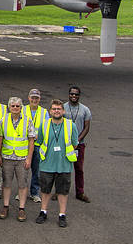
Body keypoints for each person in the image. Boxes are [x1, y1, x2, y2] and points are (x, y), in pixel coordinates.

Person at [36, 99, 78, 228]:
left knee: (63, 191)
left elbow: (75, 143)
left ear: (63, 111)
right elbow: (40, 141)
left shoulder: (71, 125)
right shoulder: (44, 125)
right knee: (45, 190)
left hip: (64, 165)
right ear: (50, 111)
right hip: (47, 164)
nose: (56, 111)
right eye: (54, 109)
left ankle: (62, 214)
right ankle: (43, 211)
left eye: (59, 109)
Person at [0, 96, 36, 222]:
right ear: (9, 107)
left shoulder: (28, 121)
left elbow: (31, 141)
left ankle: (22, 208)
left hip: (22, 158)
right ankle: (5, 206)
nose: (15, 108)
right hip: (7, 157)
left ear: (21, 108)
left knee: (22, 184)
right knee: (6, 183)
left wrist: (29, 159)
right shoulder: (3, 120)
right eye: (13, 106)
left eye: (17, 106)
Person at [63, 86, 92, 202]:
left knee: (79, 169)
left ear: (79, 96)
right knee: (62, 169)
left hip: (79, 144)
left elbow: (87, 127)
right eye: (72, 94)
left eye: (76, 94)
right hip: (64, 143)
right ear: (68, 94)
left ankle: (80, 192)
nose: (73, 96)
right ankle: (59, 191)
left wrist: (77, 140)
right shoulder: (63, 107)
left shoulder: (85, 110)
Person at [23, 88, 47, 203]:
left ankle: (34, 192)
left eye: (36, 98)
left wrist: (37, 135)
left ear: (39, 99)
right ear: (28, 98)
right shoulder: (22, 109)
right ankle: (21, 192)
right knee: (23, 171)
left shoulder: (44, 112)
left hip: (37, 144)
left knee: (36, 171)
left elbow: (46, 127)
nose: (34, 100)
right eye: (32, 97)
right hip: (24, 144)